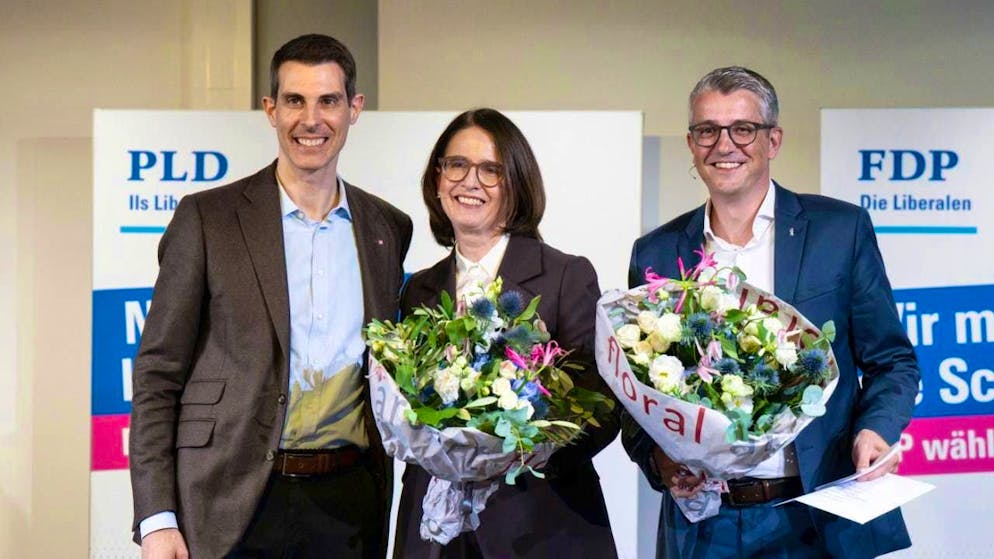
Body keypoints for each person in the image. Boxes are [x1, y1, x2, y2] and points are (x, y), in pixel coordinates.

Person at [129, 34, 412, 559]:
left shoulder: (387, 227)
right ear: (270, 109)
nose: (311, 119)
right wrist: (156, 516)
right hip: (227, 502)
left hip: (350, 503)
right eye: (294, 101)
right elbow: (157, 373)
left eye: (328, 101)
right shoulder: (207, 219)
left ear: (354, 109)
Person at [623, 66, 920, 558]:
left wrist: (876, 430)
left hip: (816, 514)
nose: (724, 145)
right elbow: (632, 391)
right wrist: (659, 460)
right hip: (703, 525)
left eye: (743, 129)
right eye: (707, 131)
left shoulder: (838, 230)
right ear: (691, 143)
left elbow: (893, 361)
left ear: (773, 139)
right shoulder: (654, 253)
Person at [393, 108, 620, 558]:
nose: (469, 182)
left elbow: (604, 405)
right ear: (438, 180)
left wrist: (538, 448)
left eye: (490, 170)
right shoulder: (418, 288)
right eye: (456, 165)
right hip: (435, 534)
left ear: (516, 183)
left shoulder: (564, 276)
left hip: (539, 526)